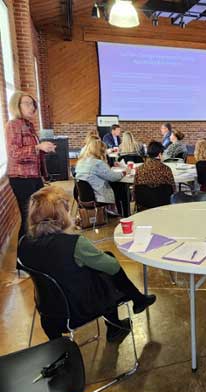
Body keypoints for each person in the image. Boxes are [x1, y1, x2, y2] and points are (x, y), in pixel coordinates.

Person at [18, 185, 156, 342]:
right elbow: (112, 267)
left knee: (97, 264)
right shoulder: (74, 244)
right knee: (107, 264)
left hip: (49, 312)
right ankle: (117, 325)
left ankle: (59, 348)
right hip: (79, 309)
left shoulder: (24, 244)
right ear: (62, 215)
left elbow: (51, 264)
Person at [6, 90, 56, 262]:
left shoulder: (29, 125)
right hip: (21, 178)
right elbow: (14, 154)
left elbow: (33, 154)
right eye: (27, 103)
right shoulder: (13, 125)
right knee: (29, 217)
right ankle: (23, 259)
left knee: (38, 215)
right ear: (16, 105)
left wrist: (44, 149)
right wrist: (37, 148)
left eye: (32, 103)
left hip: (33, 177)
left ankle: (35, 253)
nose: (31, 106)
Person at [75, 139, 128, 215]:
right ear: (100, 151)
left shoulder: (81, 162)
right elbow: (112, 177)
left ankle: (113, 211)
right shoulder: (98, 163)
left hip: (83, 197)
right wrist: (124, 173)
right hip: (98, 197)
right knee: (122, 189)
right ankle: (124, 214)